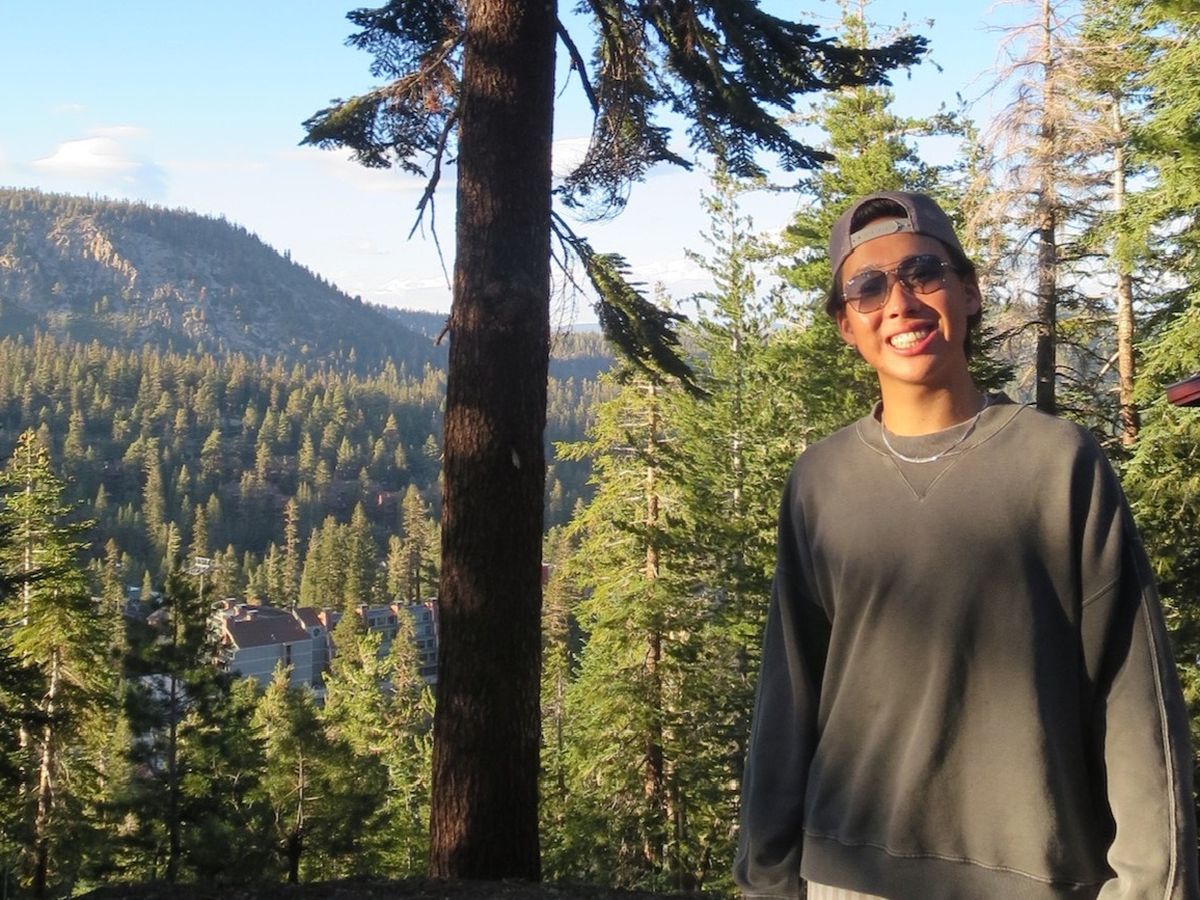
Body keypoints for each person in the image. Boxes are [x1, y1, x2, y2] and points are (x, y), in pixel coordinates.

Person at [732, 190, 1199, 899]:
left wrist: (1152, 884)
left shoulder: (1058, 463)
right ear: (846, 325)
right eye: (867, 288)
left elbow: (1134, 696)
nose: (900, 303)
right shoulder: (820, 480)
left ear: (970, 292)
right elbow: (789, 690)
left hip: (1036, 879)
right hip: (845, 878)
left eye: (923, 272)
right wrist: (768, 875)